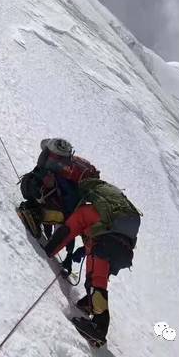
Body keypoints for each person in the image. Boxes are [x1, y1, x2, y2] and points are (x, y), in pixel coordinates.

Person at [44, 178, 142, 346]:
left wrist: (48, 250)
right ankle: (91, 303)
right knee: (97, 277)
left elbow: (68, 231)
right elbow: (100, 235)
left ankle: (99, 327)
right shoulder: (109, 213)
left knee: (96, 281)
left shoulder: (85, 211)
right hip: (123, 250)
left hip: (107, 244)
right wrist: (84, 249)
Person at [17, 138, 100, 262]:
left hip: (64, 213)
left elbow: (68, 212)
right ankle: (37, 214)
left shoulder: (56, 173)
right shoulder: (68, 172)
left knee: (35, 187)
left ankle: (37, 214)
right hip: (69, 214)